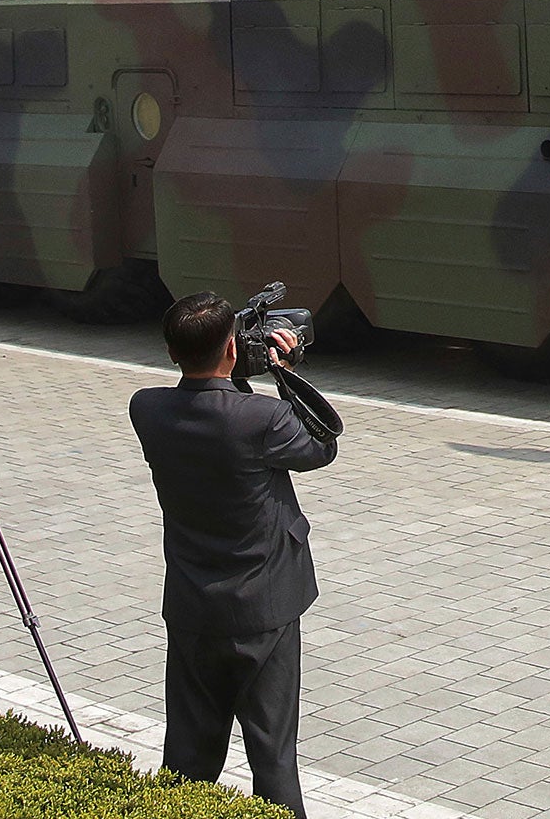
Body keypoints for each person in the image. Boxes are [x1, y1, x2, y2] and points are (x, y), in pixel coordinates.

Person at [128, 294, 336, 816]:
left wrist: (229, 369)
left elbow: (219, 411)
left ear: (171, 352)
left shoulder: (146, 408)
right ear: (231, 349)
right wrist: (281, 371)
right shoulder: (263, 419)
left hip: (193, 606)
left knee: (187, 758)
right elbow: (322, 445)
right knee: (272, 759)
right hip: (265, 611)